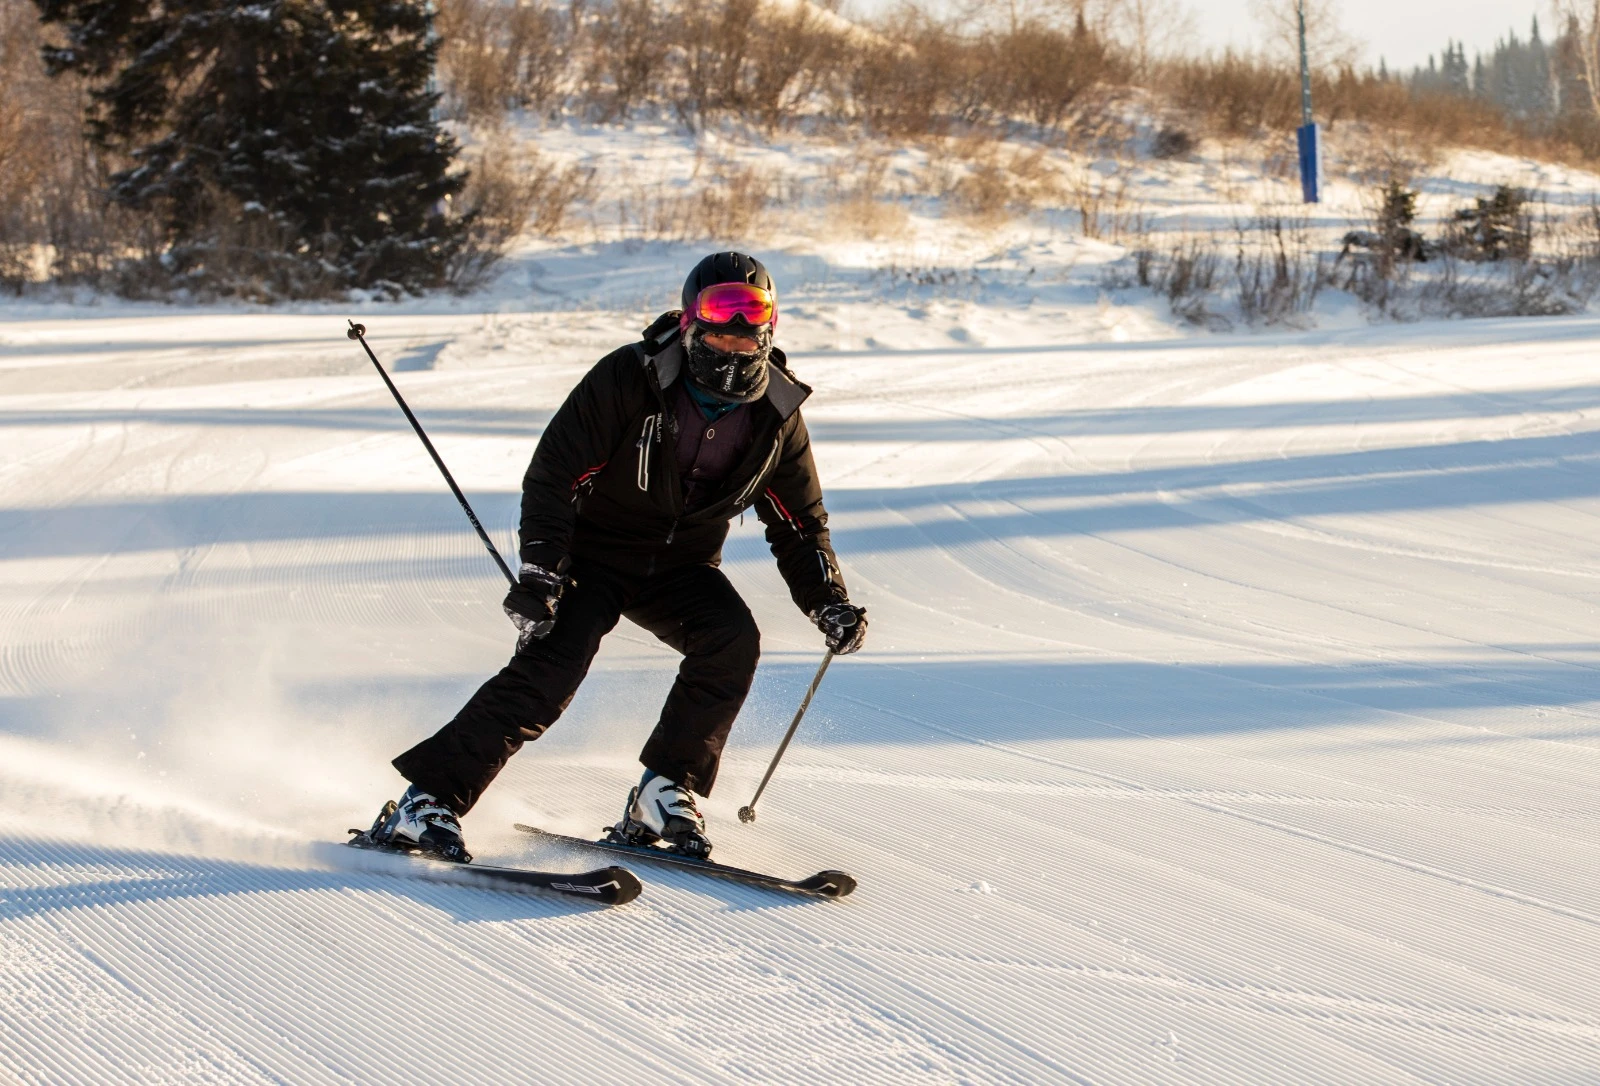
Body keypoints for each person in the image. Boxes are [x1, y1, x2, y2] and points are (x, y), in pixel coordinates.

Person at [365, 252, 867, 862]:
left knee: (731, 639)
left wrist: (828, 602)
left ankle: (664, 789)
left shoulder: (777, 414)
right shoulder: (632, 377)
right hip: (594, 555)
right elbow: (555, 475)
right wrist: (543, 571)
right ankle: (428, 800)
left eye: (751, 315)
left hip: (682, 566)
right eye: (718, 314)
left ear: (771, 325)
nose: (734, 334)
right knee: (555, 664)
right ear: (689, 321)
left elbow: (797, 523)